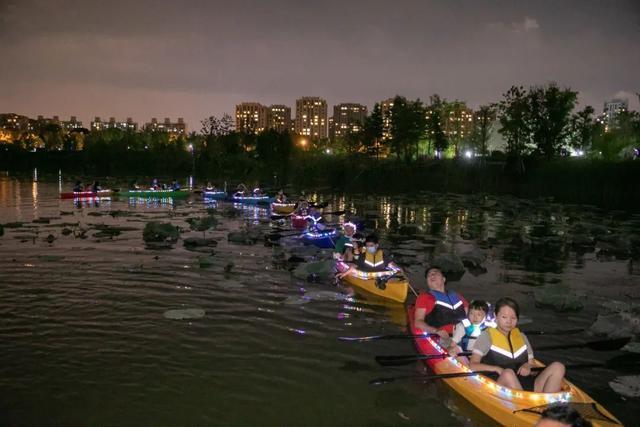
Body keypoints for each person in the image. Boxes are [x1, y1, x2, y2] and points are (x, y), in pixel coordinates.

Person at [470, 297, 565, 393]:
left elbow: (533, 367)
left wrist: (528, 366)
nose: (509, 321)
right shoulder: (486, 336)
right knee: (508, 373)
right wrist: (496, 369)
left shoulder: (521, 336)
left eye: (513, 318)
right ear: (495, 316)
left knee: (558, 366)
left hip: (527, 384)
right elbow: (472, 366)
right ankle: (528, 404)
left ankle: (550, 404)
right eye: (504, 317)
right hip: (500, 386)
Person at [414, 266, 468, 341]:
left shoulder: (457, 296)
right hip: (443, 338)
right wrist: (435, 331)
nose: (431, 275)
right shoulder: (424, 297)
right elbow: (418, 322)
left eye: (435, 273)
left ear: (443, 279)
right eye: (429, 275)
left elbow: (468, 314)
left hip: (464, 335)